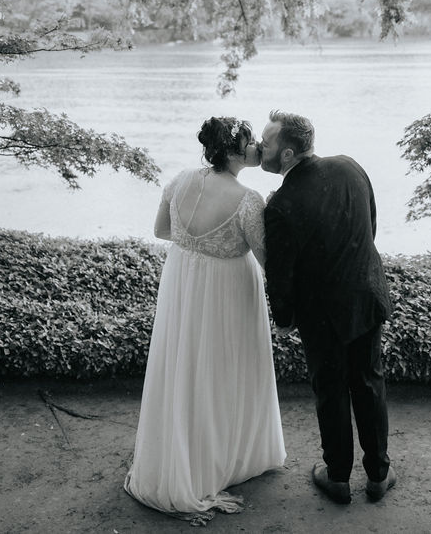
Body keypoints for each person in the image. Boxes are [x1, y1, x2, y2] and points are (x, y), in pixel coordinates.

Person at [124, 116, 286, 521]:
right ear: (234, 151)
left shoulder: (179, 180)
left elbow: (162, 231)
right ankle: (227, 457)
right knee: (226, 370)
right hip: (228, 292)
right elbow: (270, 261)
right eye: (251, 143)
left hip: (183, 285)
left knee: (185, 369)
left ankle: (185, 457)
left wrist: (196, 249)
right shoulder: (248, 200)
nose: (257, 149)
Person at [259, 109, 395, 505]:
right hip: (366, 296)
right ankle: (378, 475)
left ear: (286, 154)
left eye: (267, 143)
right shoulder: (350, 167)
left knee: (330, 390)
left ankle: (337, 477)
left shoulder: (281, 204)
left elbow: (279, 274)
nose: (260, 149)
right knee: (370, 382)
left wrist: (284, 318)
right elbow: (369, 225)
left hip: (321, 315)